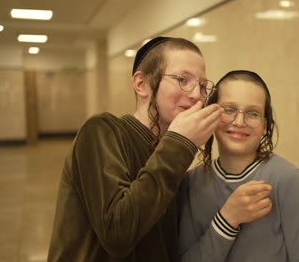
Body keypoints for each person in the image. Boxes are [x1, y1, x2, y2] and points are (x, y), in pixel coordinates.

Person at [47, 37, 224, 261]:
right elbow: (117, 233)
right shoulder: (102, 131)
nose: (197, 95)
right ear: (141, 84)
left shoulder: (169, 149)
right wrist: (179, 143)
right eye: (182, 79)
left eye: (201, 85)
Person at [179, 70, 299, 261]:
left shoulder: (289, 180)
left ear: (265, 126)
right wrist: (226, 220)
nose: (239, 122)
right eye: (229, 110)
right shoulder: (191, 182)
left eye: (253, 114)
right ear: (212, 114)